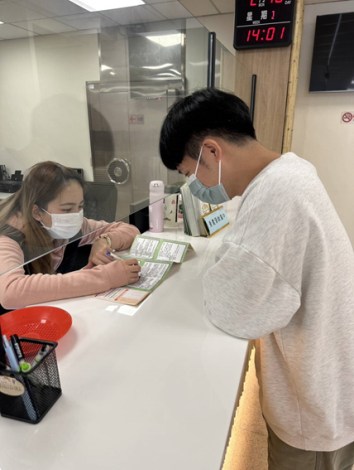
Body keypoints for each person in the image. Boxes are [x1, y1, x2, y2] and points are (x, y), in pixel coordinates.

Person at [159, 88, 354, 469]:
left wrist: (223, 271)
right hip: (326, 377)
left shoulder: (277, 195)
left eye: (188, 173)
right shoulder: (289, 171)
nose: (193, 187)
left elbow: (234, 310)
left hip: (314, 403)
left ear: (212, 152)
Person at [0, 162, 141, 313]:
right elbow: (10, 292)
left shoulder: (70, 224)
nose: (76, 216)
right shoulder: (7, 238)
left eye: (80, 207)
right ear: (37, 213)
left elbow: (130, 230)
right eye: (67, 209)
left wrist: (104, 240)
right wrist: (104, 277)